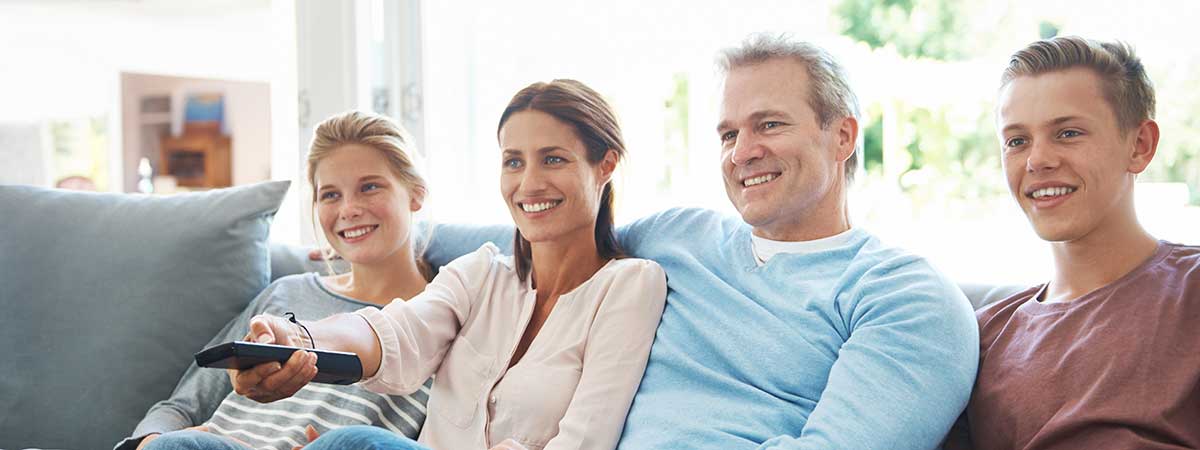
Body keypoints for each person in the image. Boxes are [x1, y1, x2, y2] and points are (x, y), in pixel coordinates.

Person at [413, 33, 979, 449]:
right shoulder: (678, 238)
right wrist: (394, 237)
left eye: (769, 125)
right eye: (729, 133)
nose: (742, 152)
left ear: (843, 136)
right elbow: (549, 234)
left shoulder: (905, 296)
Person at [233, 79, 668, 450]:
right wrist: (298, 337)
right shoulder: (480, 274)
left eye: (552, 158)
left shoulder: (629, 285)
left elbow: (588, 437)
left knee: (354, 443)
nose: (528, 183)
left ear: (605, 165)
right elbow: (393, 333)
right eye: (513, 161)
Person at [116, 111, 435, 450]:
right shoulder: (286, 293)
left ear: (415, 194)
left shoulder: (446, 315)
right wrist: (152, 441)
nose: (349, 209)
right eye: (329, 195)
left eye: (369, 187)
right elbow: (181, 407)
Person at [945, 36, 1200, 449]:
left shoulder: (1190, 294)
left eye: (1067, 133)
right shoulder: (981, 336)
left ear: (1140, 146)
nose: (1038, 159)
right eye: (1016, 140)